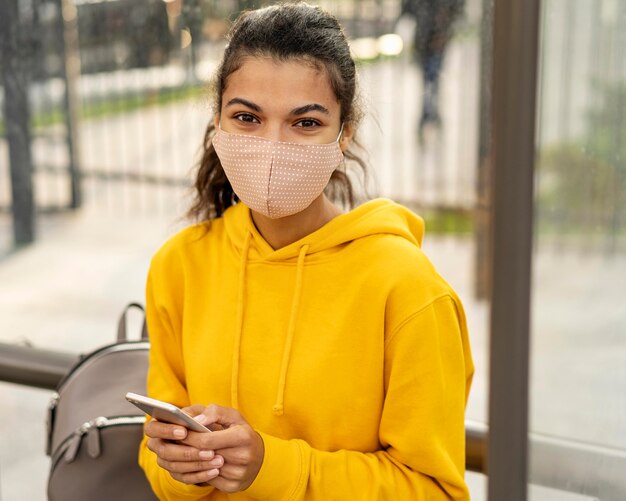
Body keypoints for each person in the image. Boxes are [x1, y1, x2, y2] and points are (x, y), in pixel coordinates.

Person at [139, 3, 474, 499]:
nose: (272, 144)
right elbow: (157, 461)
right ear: (217, 124)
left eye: (305, 123)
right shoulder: (180, 265)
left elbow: (435, 491)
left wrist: (272, 469)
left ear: (346, 134)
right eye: (247, 117)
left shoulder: (409, 290)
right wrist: (179, 464)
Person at [400, 0, 465, 130]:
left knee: (432, 77)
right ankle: (429, 111)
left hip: (436, 40)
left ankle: (430, 111)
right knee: (430, 77)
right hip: (425, 39)